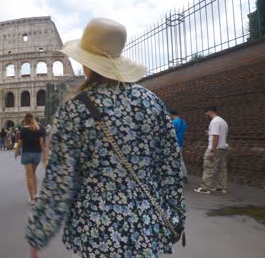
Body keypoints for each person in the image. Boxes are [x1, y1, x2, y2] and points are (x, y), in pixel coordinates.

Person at [25, 18, 185, 258]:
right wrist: (176, 215)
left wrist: (38, 234)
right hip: (147, 228)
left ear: (87, 63)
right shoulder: (152, 102)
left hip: (95, 231)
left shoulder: (74, 110)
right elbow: (169, 166)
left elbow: (60, 183)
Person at [194, 106, 229, 194]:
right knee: (222, 168)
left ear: (209, 112)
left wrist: (212, 151)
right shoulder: (222, 121)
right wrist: (210, 133)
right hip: (222, 148)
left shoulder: (215, 121)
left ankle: (205, 188)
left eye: (206, 113)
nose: (206, 115)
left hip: (215, 148)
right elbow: (220, 134)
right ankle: (221, 187)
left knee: (208, 166)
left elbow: (216, 136)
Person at [14, 114, 47, 206]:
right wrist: (45, 155)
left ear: (25, 120)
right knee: (33, 173)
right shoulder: (39, 128)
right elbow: (42, 143)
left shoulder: (24, 129)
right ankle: (36, 194)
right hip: (37, 154)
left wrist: (16, 152)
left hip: (27, 154)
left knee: (29, 176)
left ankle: (32, 198)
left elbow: (20, 143)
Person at [170, 110, 188, 184]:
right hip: (180, 143)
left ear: (171, 115)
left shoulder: (174, 122)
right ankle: (183, 175)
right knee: (180, 159)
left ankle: (184, 175)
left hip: (174, 143)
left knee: (178, 160)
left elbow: (170, 133)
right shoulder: (183, 122)